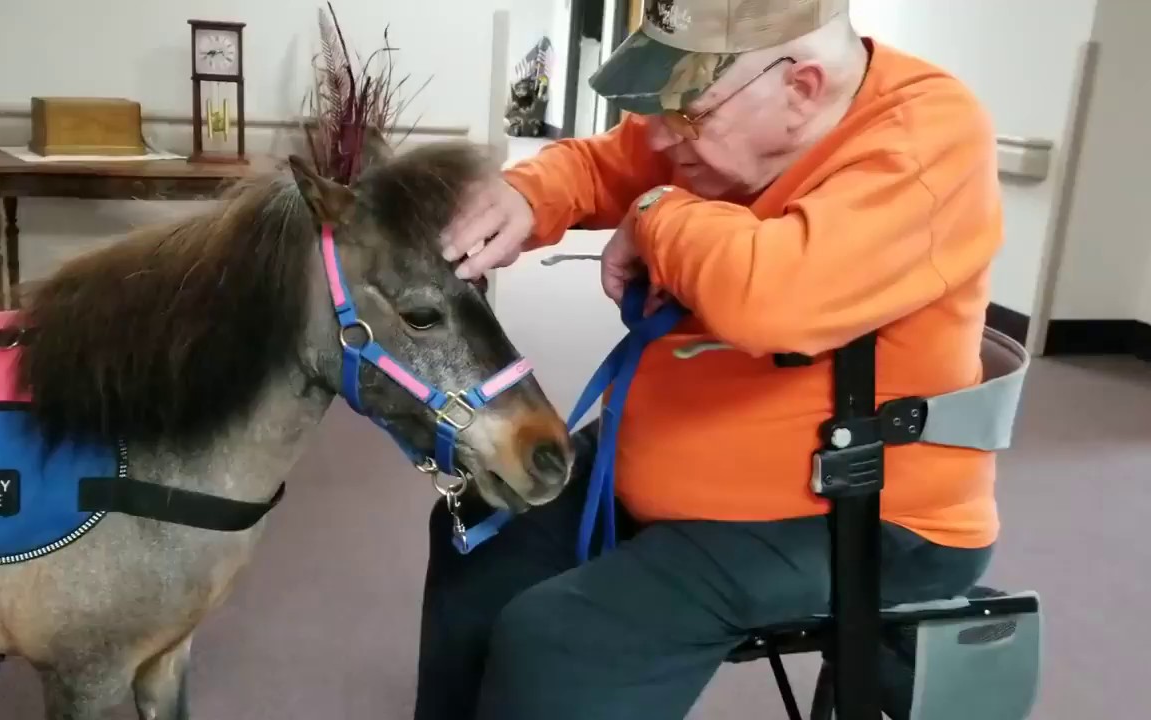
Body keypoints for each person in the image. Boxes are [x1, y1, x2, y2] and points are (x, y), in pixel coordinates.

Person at [414, 0, 1004, 718]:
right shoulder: (728, 126)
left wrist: (656, 213)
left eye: (689, 113)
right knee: (484, 519)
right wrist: (525, 193)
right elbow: (605, 162)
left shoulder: (924, 139)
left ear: (803, 88)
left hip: (854, 511)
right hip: (678, 467)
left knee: (563, 640)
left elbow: (776, 297)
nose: (660, 136)